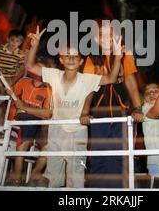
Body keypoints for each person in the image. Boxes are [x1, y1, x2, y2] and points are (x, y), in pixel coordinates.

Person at [25, 27, 124, 188]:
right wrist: (33, 45)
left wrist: (118, 57)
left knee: (75, 176)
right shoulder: (53, 75)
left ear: (81, 61)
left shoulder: (87, 79)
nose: (71, 59)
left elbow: (112, 78)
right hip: (56, 130)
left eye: (75, 56)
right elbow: (30, 66)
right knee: (53, 174)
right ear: (61, 60)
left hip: (77, 132)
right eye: (67, 56)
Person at [81, 20, 143, 188]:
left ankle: (120, 191)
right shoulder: (92, 57)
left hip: (122, 113)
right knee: (99, 155)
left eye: (110, 33)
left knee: (120, 154)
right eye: (102, 34)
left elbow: (130, 81)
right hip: (99, 114)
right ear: (96, 38)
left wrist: (137, 107)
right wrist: (85, 111)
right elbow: (89, 88)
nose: (106, 37)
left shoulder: (125, 53)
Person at [5, 71, 52, 186]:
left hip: (38, 121)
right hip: (21, 119)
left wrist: (25, 107)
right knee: (28, 128)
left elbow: (47, 113)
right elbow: (14, 102)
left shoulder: (48, 89)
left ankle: (33, 175)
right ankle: (17, 174)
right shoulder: (23, 82)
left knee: (50, 143)